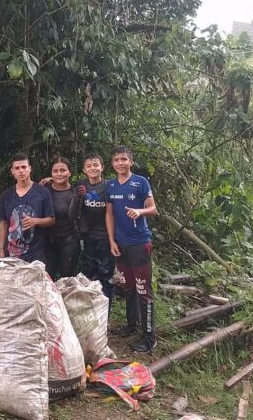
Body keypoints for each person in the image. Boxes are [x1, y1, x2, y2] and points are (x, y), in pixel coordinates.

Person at [105, 146, 159, 353]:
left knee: (143, 290)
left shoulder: (141, 182)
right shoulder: (110, 186)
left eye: (124, 159)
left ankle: (149, 337)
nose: (120, 163)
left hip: (139, 244)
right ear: (112, 164)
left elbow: (153, 209)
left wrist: (140, 211)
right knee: (127, 287)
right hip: (120, 244)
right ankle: (131, 325)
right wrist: (112, 241)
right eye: (117, 160)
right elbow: (109, 215)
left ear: (131, 162)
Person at [0, 153, 55, 263]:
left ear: (30, 168)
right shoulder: (6, 195)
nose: (21, 171)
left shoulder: (42, 192)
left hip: (36, 251)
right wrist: (1, 250)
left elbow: (52, 220)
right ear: (12, 171)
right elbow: (3, 222)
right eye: (17, 168)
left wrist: (36, 221)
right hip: (12, 251)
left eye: (24, 167)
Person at [78, 152, 116, 302]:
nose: (92, 168)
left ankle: (106, 310)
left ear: (102, 167)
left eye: (95, 165)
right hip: (88, 237)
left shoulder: (108, 186)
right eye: (89, 166)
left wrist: (112, 239)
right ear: (84, 170)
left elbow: (110, 213)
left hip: (105, 237)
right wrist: (49, 180)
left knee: (106, 274)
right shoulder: (82, 185)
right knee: (90, 273)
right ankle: (93, 306)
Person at [42, 156, 82, 279]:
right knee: (47, 278)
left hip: (69, 241)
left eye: (63, 170)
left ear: (69, 172)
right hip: (47, 241)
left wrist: (77, 198)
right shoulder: (44, 189)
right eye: (55, 171)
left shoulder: (75, 192)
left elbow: (72, 216)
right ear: (51, 173)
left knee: (67, 278)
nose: (59, 174)